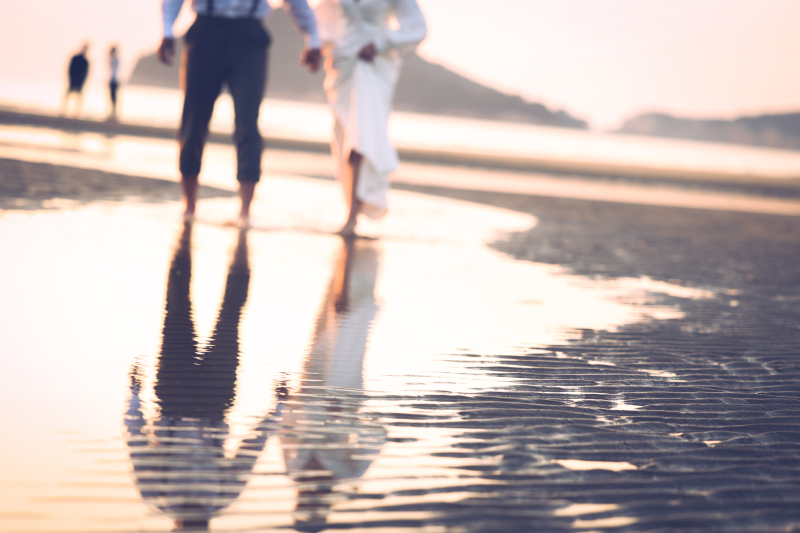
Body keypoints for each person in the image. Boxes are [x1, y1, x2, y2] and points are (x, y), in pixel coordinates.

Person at [158, 0, 322, 228]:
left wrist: (313, 39)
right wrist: (167, 30)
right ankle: (189, 206)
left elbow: (296, 3)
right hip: (206, 32)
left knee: (248, 123)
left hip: (250, 37)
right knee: (193, 120)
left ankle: (244, 213)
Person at [315, 0, 427, 236]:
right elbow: (325, 15)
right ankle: (351, 209)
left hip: (373, 64)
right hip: (342, 64)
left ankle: (351, 218)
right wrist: (320, 45)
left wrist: (381, 44)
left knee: (362, 135)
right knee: (345, 136)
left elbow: (417, 27)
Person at [61, 43, 90, 117]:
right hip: (73, 79)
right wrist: (70, 78)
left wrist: (82, 81)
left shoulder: (85, 61)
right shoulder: (76, 58)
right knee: (68, 95)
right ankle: (64, 110)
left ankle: (76, 112)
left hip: (79, 81)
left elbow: (86, 73)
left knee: (78, 97)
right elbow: (70, 69)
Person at [107, 46, 120, 121]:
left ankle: (114, 113)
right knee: (112, 97)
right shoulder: (113, 60)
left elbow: (114, 71)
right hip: (113, 80)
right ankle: (112, 113)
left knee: (114, 98)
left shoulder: (115, 60)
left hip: (114, 81)